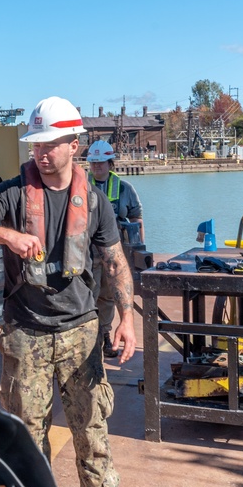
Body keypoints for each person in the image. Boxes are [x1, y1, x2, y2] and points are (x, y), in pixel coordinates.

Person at [0, 96, 136, 487]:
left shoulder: (95, 201)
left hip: (81, 330)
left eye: (52, 144)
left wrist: (127, 318)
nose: (41, 153)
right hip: (26, 331)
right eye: (36, 143)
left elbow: (114, 261)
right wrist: (9, 235)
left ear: (74, 146)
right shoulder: (13, 192)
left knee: (91, 430)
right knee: (25, 433)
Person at [86, 139, 144, 358]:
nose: (97, 167)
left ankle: (104, 335)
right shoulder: (79, 185)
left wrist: (139, 250)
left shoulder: (124, 189)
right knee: (88, 295)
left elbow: (136, 218)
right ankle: (89, 339)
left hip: (113, 253)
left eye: (101, 163)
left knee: (108, 297)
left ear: (111, 164)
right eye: (93, 163)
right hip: (86, 253)